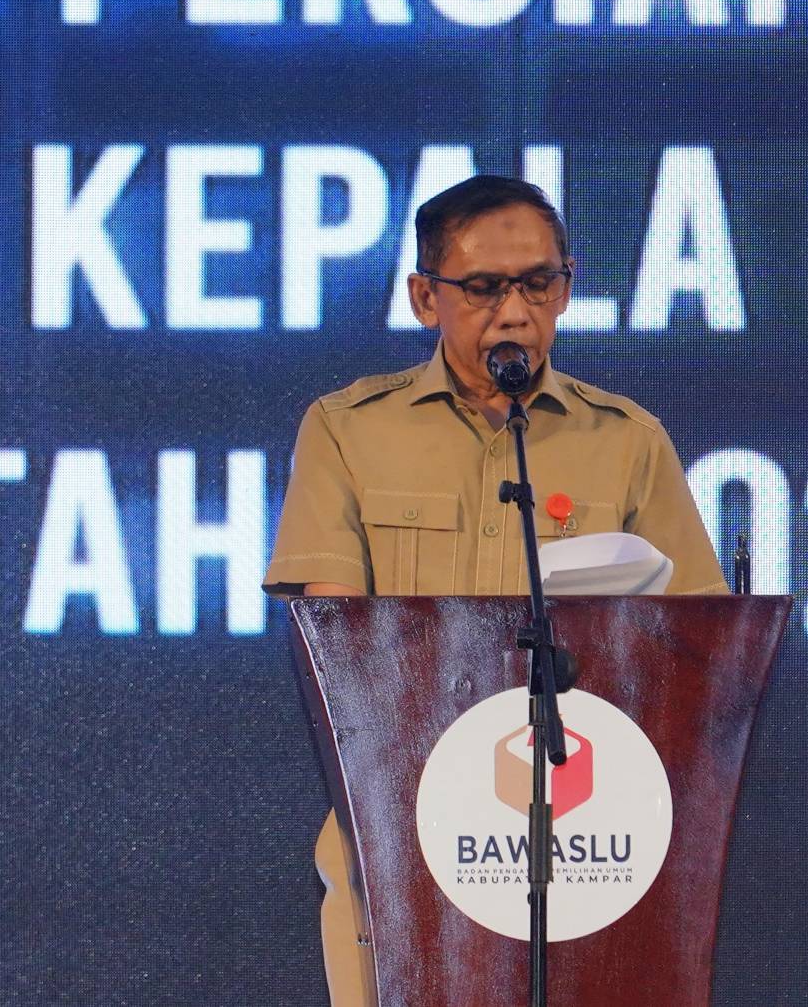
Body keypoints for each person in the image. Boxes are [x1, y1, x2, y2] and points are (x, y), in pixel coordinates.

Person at [261, 175, 728, 1006]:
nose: (514, 313)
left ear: (566, 289)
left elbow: (694, 655)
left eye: (538, 284)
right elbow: (341, 655)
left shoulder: (626, 442)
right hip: (398, 850)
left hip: (587, 852)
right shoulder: (348, 431)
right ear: (425, 297)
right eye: (483, 288)